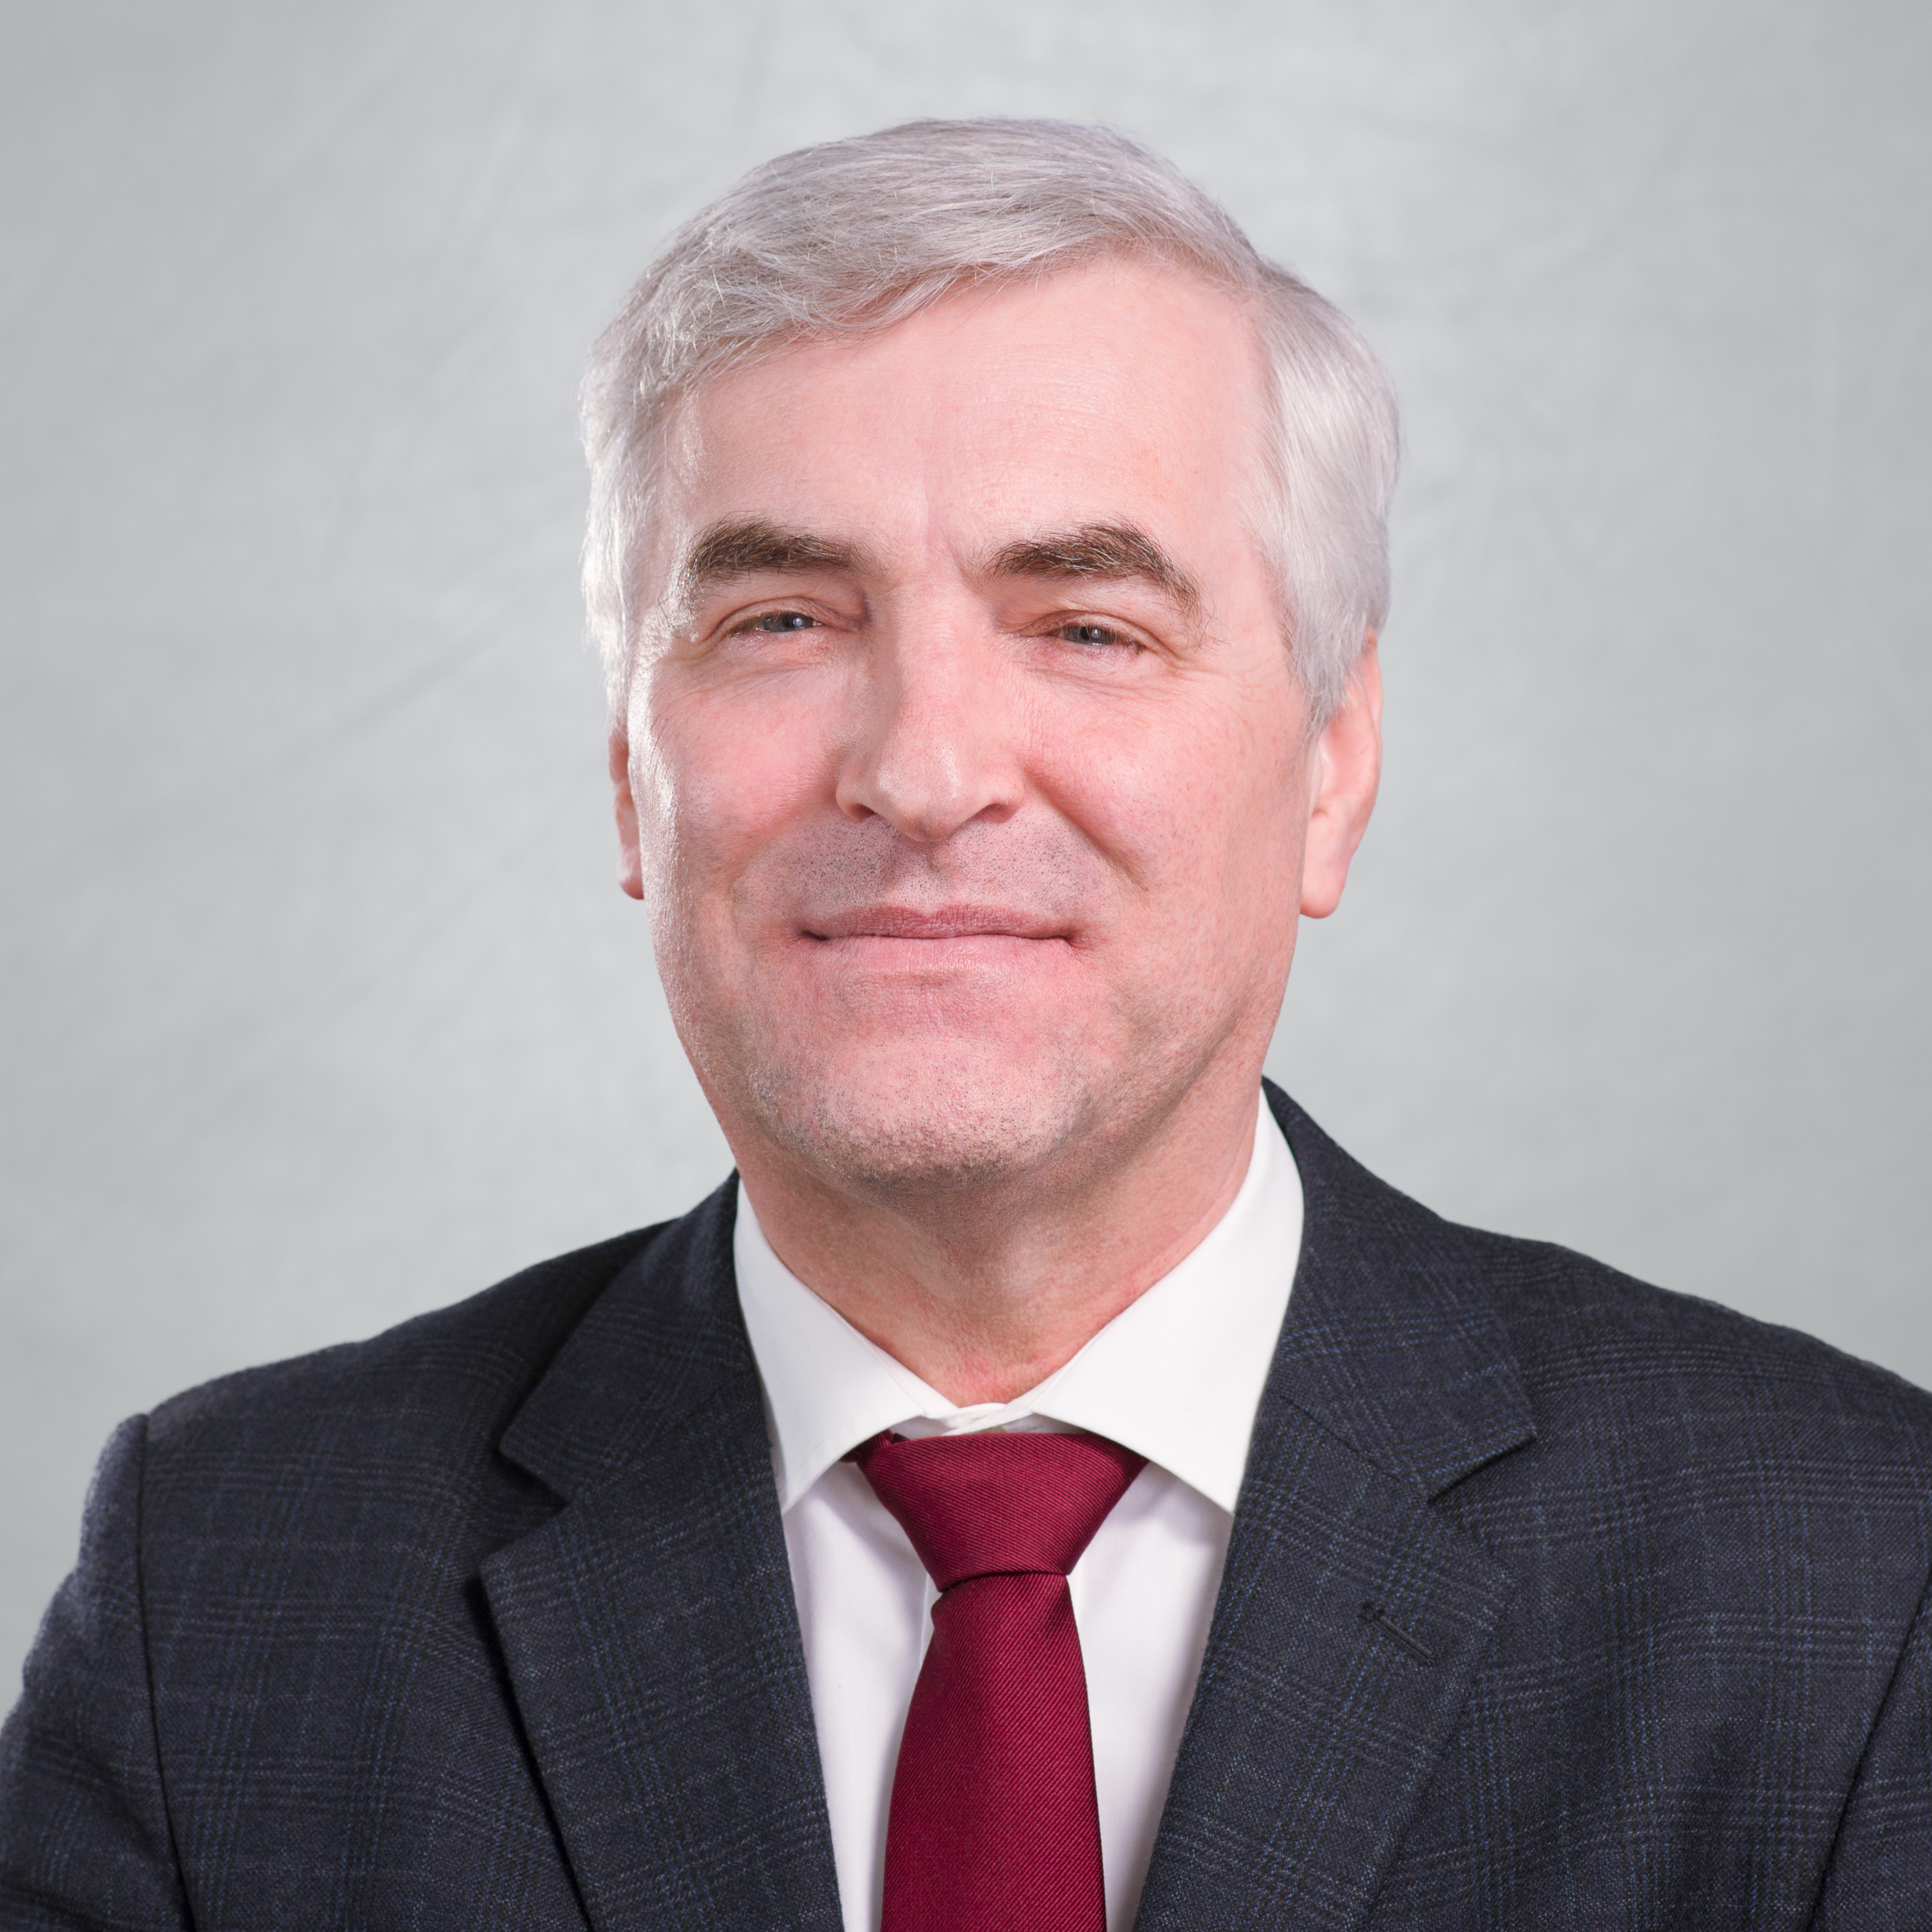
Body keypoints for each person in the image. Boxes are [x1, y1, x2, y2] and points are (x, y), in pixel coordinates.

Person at [2, 117, 1928, 1932]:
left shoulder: (1846, 1585)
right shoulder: (224, 1595)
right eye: (781, 621)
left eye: (1088, 628)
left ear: (1332, 765)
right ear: (629, 775)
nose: (923, 774)